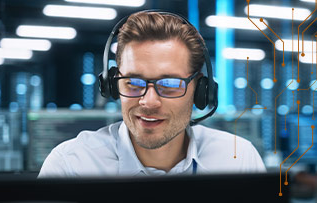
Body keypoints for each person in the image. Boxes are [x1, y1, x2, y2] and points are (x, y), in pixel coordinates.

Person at [38, 11, 265, 177]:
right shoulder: (71, 166)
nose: (148, 101)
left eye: (169, 84)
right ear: (112, 86)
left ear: (201, 90)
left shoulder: (238, 159)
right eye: (133, 83)